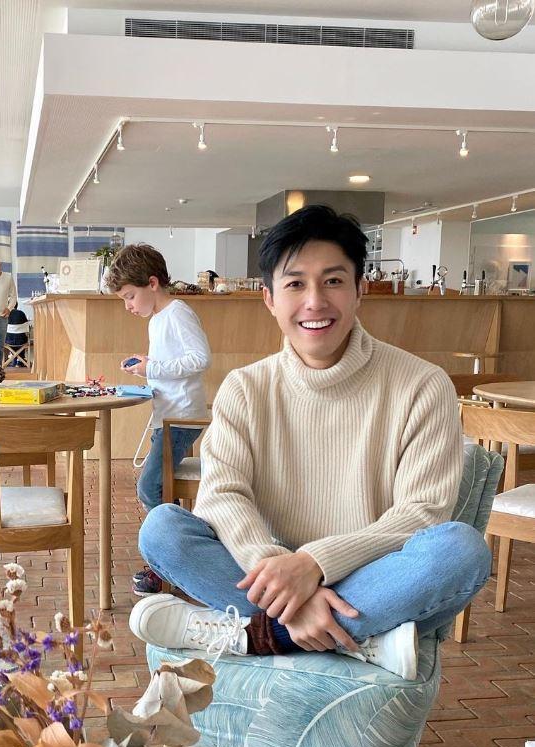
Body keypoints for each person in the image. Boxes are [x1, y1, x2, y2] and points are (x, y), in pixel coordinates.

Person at [129, 205, 491, 681]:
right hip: (274, 574)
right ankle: (360, 638)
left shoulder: (422, 385)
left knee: (460, 550)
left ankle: (257, 635)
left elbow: (422, 512)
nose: (315, 301)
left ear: (361, 290)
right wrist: (282, 571)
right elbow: (222, 496)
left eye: (333, 281)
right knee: (162, 529)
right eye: (296, 283)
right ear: (269, 298)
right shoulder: (246, 388)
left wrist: (315, 564)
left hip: (374, 573)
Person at [105, 243, 211, 596]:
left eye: (130, 296)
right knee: (157, 487)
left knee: (149, 488)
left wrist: (154, 367)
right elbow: (170, 363)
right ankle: (176, 557)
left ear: (152, 283)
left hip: (180, 418)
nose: (128, 306)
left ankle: (172, 559)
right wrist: (147, 366)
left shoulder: (178, 312)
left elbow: (200, 359)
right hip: (168, 416)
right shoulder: (158, 319)